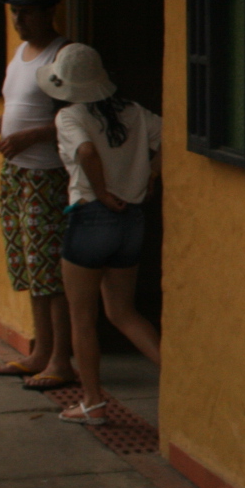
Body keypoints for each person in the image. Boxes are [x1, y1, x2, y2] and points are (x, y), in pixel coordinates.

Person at [38, 42, 163, 427]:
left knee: (83, 318)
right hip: (132, 219)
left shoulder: (70, 116)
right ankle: (175, 377)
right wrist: (150, 175)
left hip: (92, 216)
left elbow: (88, 154)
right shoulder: (134, 112)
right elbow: (171, 137)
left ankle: (93, 403)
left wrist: (104, 194)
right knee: (123, 312)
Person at [0, 0, 75, 389]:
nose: (19, 20)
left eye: (27, 12)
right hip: (15, 174)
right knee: (30, 268)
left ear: (49, 11)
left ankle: (61, 359)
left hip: (46, 176)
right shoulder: (19, 54)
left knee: (50, 271)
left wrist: (31, 137)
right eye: (15, 12)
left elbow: (78, 117)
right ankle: (40, 351)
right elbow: (16, 108)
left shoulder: (63, 55)